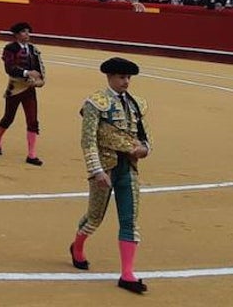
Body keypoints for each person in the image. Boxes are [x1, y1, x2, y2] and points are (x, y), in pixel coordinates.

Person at [69, 56, 152, 295]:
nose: (126, 82)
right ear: (110, 77)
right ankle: (77, 246)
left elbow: (145, 135)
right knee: (95, 217)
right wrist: (96, 171)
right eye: (122, 77)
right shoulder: (96, 102)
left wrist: (145, 149)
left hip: (128, 166)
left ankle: (127, 274)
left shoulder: (137, 103)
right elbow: (88, 140)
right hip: (104, 168)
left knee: (130, 220)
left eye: (128, 78)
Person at [0, 22, 46, 165]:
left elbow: (39, 68)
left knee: (33, 121)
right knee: (8, 118)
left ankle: (31, 155)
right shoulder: (10, 48)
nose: (27, 34)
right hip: (15, 88)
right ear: (16, 35)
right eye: (23, 32)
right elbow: (9, 68)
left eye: (28, 31)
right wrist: (27, 72)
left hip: (29, 89)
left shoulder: (33, 49)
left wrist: (40, 80)